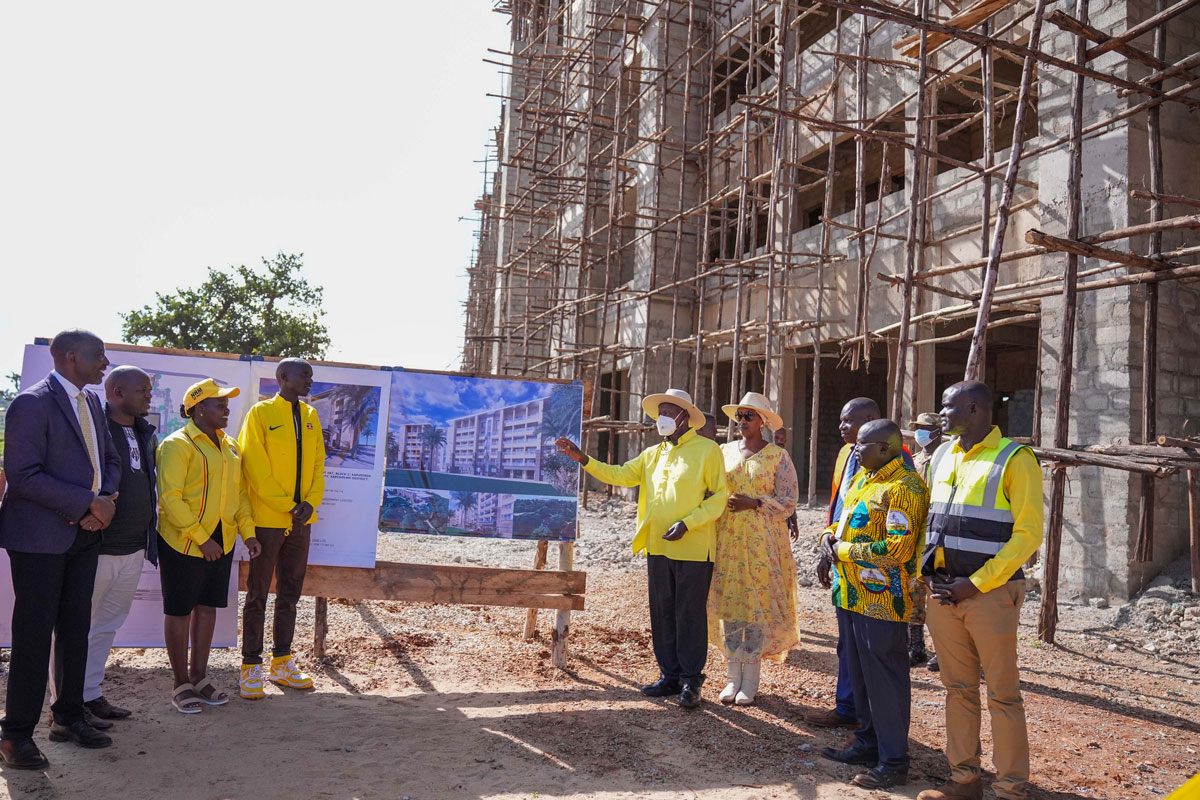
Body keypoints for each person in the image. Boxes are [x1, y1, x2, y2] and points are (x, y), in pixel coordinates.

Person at [556, 388, 726, 709]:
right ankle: (669, 675)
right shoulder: (652, 454)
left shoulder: (708, 450)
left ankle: (691, 681)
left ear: (683, 417)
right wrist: (584, 460)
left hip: (693, 548)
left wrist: (689, 523)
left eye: (667, 411)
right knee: (662, 612)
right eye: (658, 411)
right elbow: (620, 475)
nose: (660, 417)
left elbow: (719, 497)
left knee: (688, 614)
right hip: (657, 546)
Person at [917, 381, 1043, 800]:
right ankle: (964, 780)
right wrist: (928, 576)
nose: (940, 415)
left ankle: (1010, 789)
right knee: (957, 690)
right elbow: (932, 523)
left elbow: (1028, 534)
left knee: (1003, 695)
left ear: (973, 409)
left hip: (989, 595)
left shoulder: (1015, 459)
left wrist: (975, 583)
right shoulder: (942, 456)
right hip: (943, 596)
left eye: (947, 406)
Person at [0, 330, 121, 766]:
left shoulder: (90, 402)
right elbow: (23, 474)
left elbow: (109, 459)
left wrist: (103, 504)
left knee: (75, 629)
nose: (105, 362)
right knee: (33, 638)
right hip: (39, 539)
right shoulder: (31, 403)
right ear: (71, 357)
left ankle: (67, 717)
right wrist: (86, 502)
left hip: (86, 532)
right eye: (99, 355)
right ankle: (15, 736)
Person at [818, 419, 928, 790]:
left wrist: (844, 551)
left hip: (884, 602)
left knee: (886, 680)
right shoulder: (865, 479)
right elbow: (843, 519)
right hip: (850, 595)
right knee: (862, 676)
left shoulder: (905, 488)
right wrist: (828, 538)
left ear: (885, 448)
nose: (856, 450)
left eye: (862, 445)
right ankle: (866, 742)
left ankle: (894, 760)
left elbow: (898, 550)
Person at [49, 366, 159, 730]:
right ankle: (62, 706)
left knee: (106, 627)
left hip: (131, 548)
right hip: (95, 548)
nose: (148, 395)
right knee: (75, 629)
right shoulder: (94, 429)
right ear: (115, 391)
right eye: (142, 389)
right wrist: (87, 511)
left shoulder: (144, 431)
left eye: (149, 389)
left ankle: (90, 695)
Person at [157, 379, 261, 714]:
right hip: (185, 543)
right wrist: (202, 539)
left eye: (227, 404)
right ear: (199, 408)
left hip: (223, 541)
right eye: (220, 404)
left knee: (207, 608)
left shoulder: (231, 447)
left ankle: (200, 677)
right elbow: (169, 499)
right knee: (180, 610)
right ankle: (180, 683)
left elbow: (240, 496)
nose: (227, 409)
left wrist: (248, 533)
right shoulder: (177, 445)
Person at [237, 358, 326, 699]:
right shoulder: (260, 415)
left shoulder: (310, 416)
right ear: (282, 378)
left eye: (311, 376)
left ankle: (282, 662)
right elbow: (255, 469)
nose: (309, 381)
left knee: (290, 593)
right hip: (269, 520)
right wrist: (287, 505)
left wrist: (309, 504)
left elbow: (318, 464)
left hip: (301, 521)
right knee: (258, 594)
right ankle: (250, 667)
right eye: (304, 375)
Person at [708, 392, 800, 706]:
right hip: (729, 538)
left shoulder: (777, 456)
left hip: (764, 541)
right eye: (740, 416)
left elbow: (789, 501)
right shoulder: (723, 452)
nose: (743, 422)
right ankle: (732, 677)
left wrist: (756, 503)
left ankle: (751, 679)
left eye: (750, 416)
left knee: (756, 605)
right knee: (733, 606)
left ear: (763, 420)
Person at [806, 396, 881, 728]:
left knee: (870, 642)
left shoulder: (893, 457)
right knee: (846, 640)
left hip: (872, 565)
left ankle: (869, 716)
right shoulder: (844, 455)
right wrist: (828, 548)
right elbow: (839, 505)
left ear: (868, 420)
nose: (841, 427)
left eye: (847, 421)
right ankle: (848, 707)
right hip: (840, 555)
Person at [907, 411, 943, 669]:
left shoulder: (948, 458)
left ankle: (945, 649)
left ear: (937, 431)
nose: (920, 432)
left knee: (938, 589)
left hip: (939, 530)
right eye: (917, 427)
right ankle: (916, 646)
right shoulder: (915, 459)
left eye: (925, 428)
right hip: (916, 530)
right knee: (915, 587)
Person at [772, 427, 800, 541]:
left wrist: (794, 521)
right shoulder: (766, 459)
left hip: (783, 516)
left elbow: (789, 493)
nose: (780, 441)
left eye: (783, 439)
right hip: (766, 514)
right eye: (777, 438)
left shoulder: (785, 459)